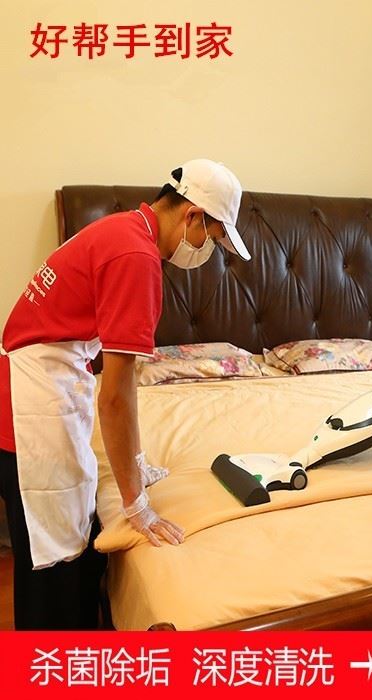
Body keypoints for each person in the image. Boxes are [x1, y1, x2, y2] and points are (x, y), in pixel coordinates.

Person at [0, 158, 251, 629]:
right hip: (32, 407)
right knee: (54, 569)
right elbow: (116, 396)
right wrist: (137, 505)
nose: (208, 250)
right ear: (193, 215)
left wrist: (134, 465)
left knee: (68, 550)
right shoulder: (136, 257)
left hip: (31, 382)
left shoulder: (121, 229)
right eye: (213, 238)